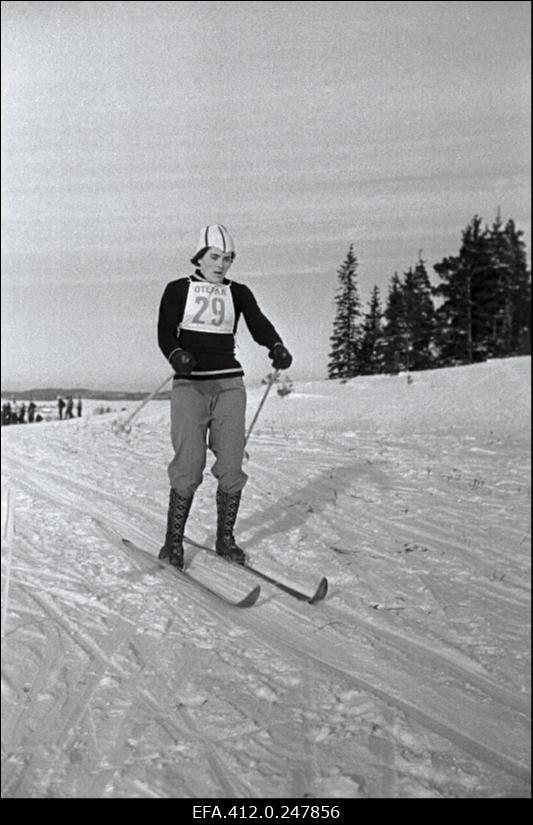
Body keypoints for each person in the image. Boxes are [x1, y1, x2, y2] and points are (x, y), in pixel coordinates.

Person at [157, 224, 292, 570]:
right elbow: (164, 330)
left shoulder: (239, 292)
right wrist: (176, 355)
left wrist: (275, 345)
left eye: (227, 258)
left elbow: (258, 323)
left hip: (229, 384)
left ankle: (225, 539)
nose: (221, 264)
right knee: (189, 465)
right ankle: (173, 542)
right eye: (215, 257)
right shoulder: (178, 289)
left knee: (232, 464)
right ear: (200, 256)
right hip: (191, 385)